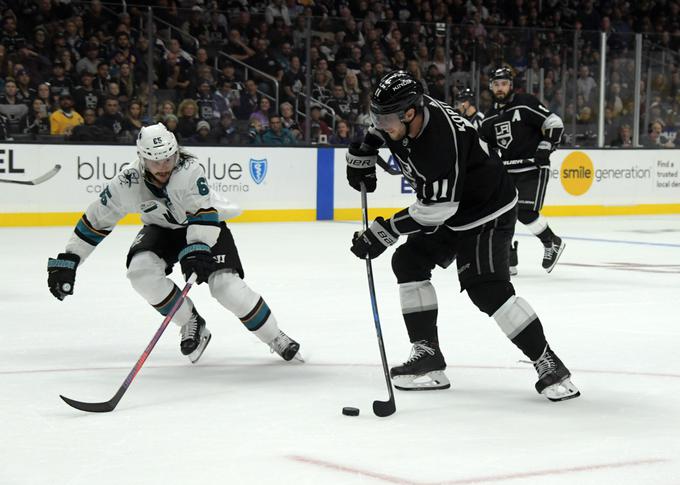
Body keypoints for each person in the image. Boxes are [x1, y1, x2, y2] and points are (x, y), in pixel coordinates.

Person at [346, 71, 579, 402]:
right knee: (409, 262)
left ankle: (549, 363)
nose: (380, 124)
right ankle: (428, 355)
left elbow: (435, 210)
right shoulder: (405, 114)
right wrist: (367, 149)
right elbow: (382, 126)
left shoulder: (439, 143)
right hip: (455, 208)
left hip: (486, 211)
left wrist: (385, 231)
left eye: (385, 120)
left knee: (487, 290)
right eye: (377, 117)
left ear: (410, 113)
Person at [47, 123, 302, 364]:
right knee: (140, 273)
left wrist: (198, 247)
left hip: (205, 227)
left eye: (168, 158)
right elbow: (96, 220)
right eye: (155, 161)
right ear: (142, 159)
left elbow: (202, 214)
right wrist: (71, 258)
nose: (163, 166)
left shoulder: (190, 170)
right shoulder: (127, 182)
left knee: (226, 288)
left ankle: (274, 336)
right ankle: (190, 322)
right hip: (161, 229)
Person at [478, 67, 566, 275]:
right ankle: (508, 259)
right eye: (496, 84)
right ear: (491, 87)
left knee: (525, 211)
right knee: (500, 215)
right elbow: (484, 148)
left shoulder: (525, 102)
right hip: (507, 171)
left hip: (532, 167)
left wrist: (545, 147)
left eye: (504, 84)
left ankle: (551, 242)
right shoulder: (489, 118)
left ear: (511, 85)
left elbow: (554, 122)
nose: (500, 88)